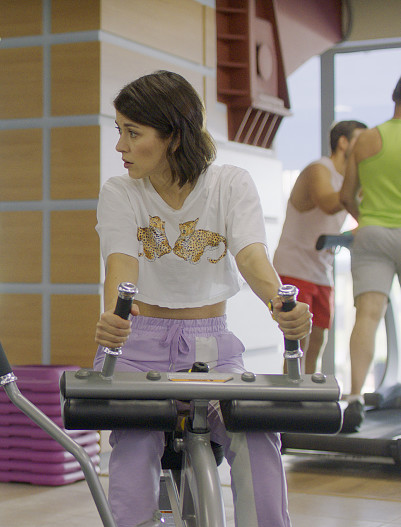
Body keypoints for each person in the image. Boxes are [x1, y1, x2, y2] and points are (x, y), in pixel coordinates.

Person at [94, 70, 311, 527]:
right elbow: (121, 265)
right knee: (135, 441)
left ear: (173, 136)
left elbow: (251, 257)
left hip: (210, 346)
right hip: (137, 345)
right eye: (120, 131)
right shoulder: (120, 192)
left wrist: (281, 305)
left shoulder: (229, 184)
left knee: (255, 433)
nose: (120, 146)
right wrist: (115, 315)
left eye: (133, 133)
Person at [273, 120, 367, 374]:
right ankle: (292, 395)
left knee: (318, 342)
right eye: (360, 139)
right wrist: (358, 188)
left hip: (322, 269)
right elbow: (328, 203)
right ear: (343, 142)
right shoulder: (319, 169)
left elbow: (361, 217)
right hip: (294, 266)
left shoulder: (349, 180)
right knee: (298, 343)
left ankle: (309, 394)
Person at [339, 74, 401, 404]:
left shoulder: (367, 139)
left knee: (367, 314)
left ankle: (354, 397)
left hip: (372, 232)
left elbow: (346, 196)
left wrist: (367, 219)